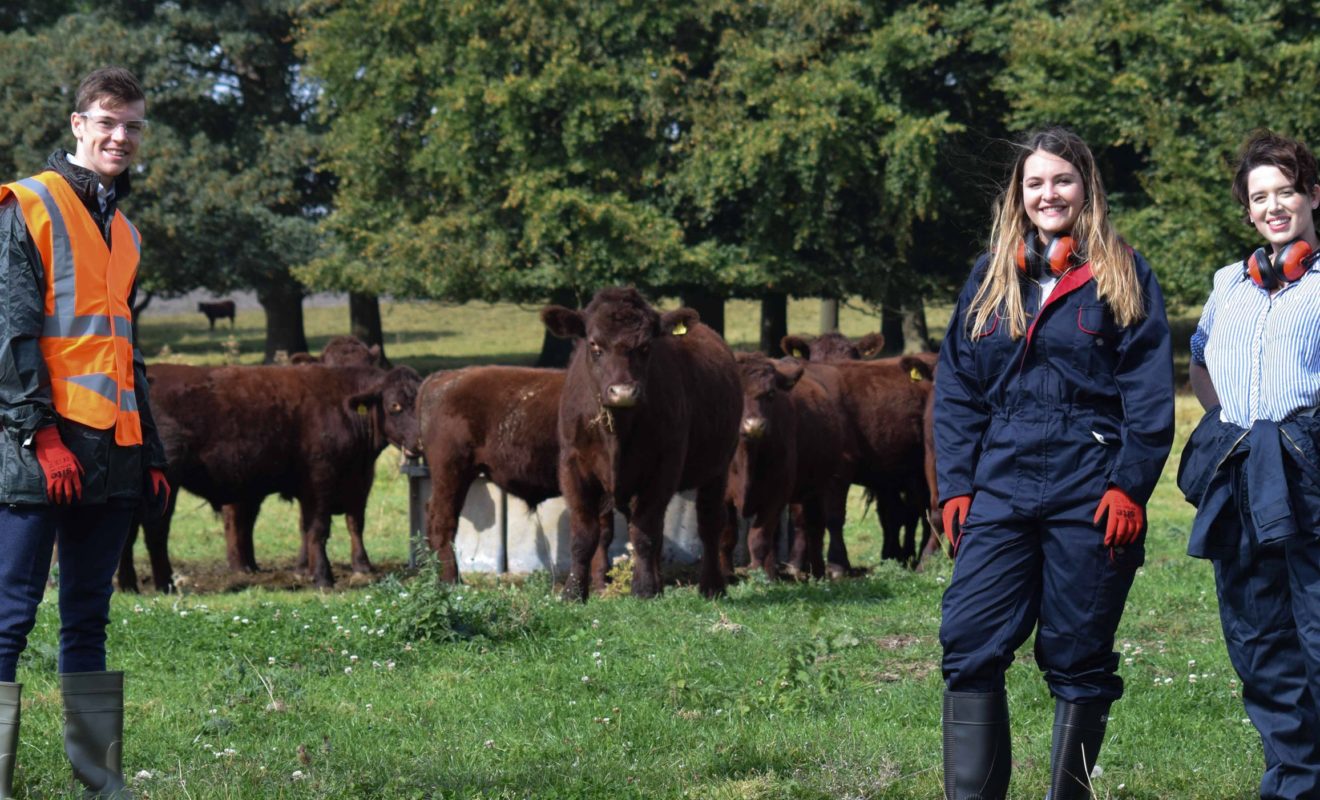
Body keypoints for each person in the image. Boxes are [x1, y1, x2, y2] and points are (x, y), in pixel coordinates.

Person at [933, 127, 1174, 800]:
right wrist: (955, 487)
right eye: (1035, 182)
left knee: (1076, 652)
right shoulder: (988, 279)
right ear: (1018, 194)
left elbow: (1149, 394)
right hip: (1000, 484)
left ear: (1086, 187)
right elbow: (956, 389)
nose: (1049, 194)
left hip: (1088, 487)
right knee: (969, 639)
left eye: (1062, 180)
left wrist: (1130, 485)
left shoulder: (1123, 271)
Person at [0, 66, 169, 797]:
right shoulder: (28, 204)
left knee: (88, 618)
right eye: (106, 121)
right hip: (40, 449)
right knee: (8, 618)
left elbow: (121, 353)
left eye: (132, 125)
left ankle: (98, 778)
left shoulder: (125, 231)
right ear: (77, 125)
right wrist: (42, 439)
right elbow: (10, 337)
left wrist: (152, 453)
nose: (119, 136)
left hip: (114, 455)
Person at [1180, 130, 1320, 800]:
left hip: (1311, 475)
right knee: (1261, 645)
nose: (1272, 206)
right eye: (1259, 197)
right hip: (1240, 477)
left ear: (1313, 195)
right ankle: (1292, 783)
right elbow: (1200, 357)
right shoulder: (1227, 283)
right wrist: (1224, 422)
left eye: (1285, 191)